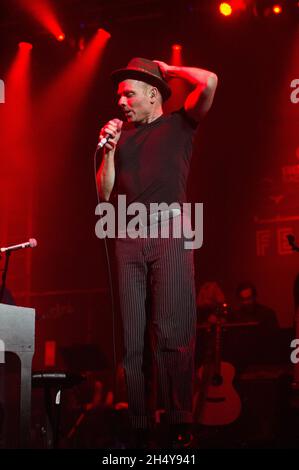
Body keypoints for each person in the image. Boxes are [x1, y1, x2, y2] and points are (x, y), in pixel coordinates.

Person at [97, 57, 218, 447]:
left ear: (152, 95)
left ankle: (180, 419)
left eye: (129, 93)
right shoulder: (123, 136)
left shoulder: (181, 124)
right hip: (128, 232)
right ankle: (137, 420)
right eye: (119, 95)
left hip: (171, 227)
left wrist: (171, 69)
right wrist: (110, 151)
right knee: (133, 334)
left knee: (173, 326)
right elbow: (104, 193)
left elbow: (210, 81)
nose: (121, 101)